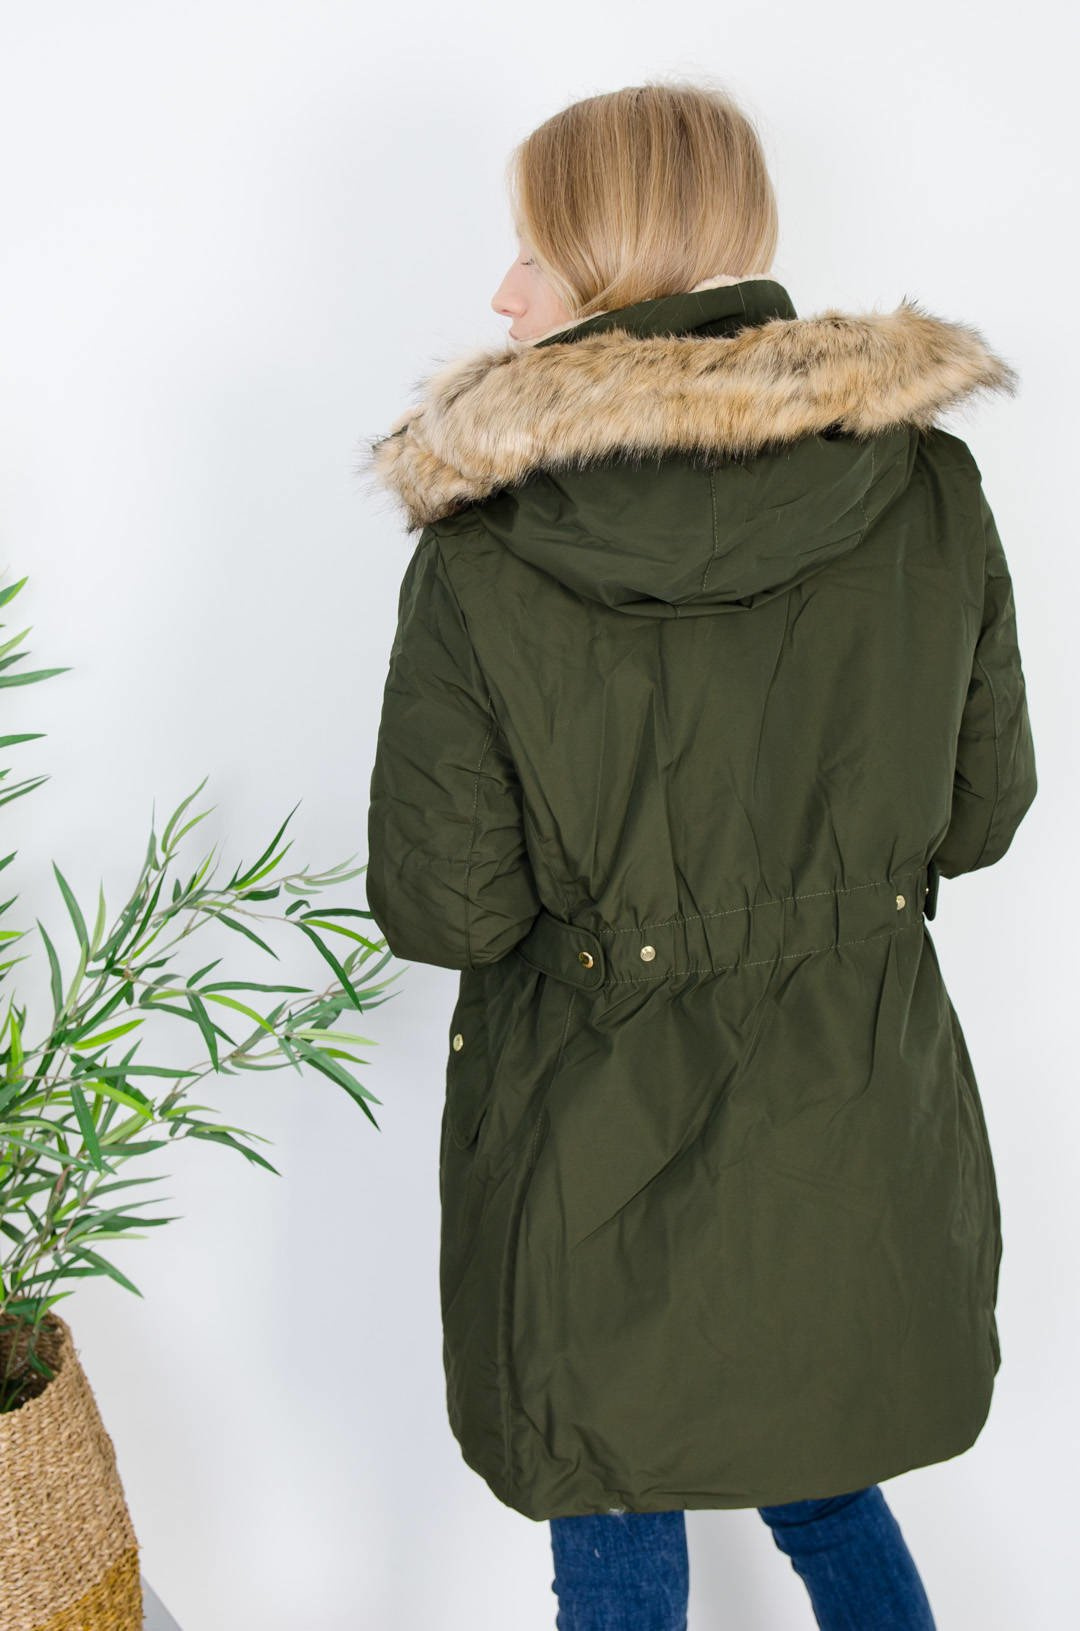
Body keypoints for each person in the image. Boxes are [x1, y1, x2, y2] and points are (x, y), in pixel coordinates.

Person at [361, 78, 1037, 1629]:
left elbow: (448, 906)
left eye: (534, 250)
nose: (504, 293)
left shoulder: (487, 548)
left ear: (612, 267)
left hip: (594, 1147)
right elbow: (982, 810)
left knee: (611, 1499)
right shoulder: (927, 488)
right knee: (824, 1474)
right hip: (855, 1120)